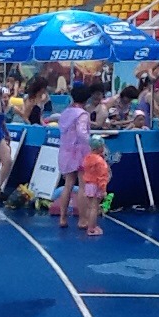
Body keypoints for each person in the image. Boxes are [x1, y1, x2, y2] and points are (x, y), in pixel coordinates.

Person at [55, 85, 92, 228]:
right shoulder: (82, 114)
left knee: (67, 185)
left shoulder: (65, 113)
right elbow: (82, 133)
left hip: (66, 151)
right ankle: (83, 219)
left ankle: (63, 218)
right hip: (80, 152)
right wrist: (92, 142)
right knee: (83, 186)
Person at [81, 135, 111, 236]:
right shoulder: (100, 161)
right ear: (99, 148)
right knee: (95, 207)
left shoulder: (87, 158)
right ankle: (92, 228)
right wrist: (103, 189)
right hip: (96, 186)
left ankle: (90, 224)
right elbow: (102, 176)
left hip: (88, 185)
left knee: (90, 207)